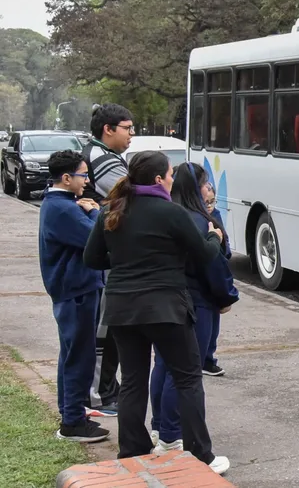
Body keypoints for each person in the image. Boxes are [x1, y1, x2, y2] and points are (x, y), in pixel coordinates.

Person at [83, 151, 230, 475]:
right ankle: (200, 455)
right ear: (158, 180)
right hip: (166, 307)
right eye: (169, 175)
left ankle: (133, 450)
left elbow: (92, 258)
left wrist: (125, 262)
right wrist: (213, 236)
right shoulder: (171, 212)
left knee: (133, 381)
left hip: (122, 308)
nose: (172, 180)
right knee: (188, 377)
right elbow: (203, 254)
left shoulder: (111, 209)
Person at [150, 164, 239, 452]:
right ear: (194, 188)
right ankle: (172, 435)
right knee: (187, 371)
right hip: (196, 302)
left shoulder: (166, 215)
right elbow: (214, 265)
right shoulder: (201, 222)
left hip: (165, 300)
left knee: (163, 365)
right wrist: (226, 296)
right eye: (205, 183)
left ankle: (160, 426)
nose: (210, 189)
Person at [39, 150, 110, 443]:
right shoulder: (64, 209)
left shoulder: (60, 203)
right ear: (66, 178)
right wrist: (94, 212)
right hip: (76, 291)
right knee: (78, 355)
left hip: (76, 288)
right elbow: (97, 238)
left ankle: (73, 411)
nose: (87, 180)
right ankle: (72, 422)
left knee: (72, 353)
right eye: (83, 174)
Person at [81, 103, 134, 418]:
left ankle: (104, 391)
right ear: (108, 129)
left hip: (104, 260)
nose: (132, 135)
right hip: (104, 263)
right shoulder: (103, 160)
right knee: (106, 331)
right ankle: (100, 394)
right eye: (127, 128)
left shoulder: (107, 156)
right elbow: (128, 198)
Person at [201, 184, 228, 377]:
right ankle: (204, 359)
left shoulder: (215, 215)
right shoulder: (196, 220)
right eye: (206, 202)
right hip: (204, 280)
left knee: (214, 326)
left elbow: (224, 245)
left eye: (212, 201)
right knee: (204, 327)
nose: (209, 206)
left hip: (215, 277)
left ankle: (209, 358)